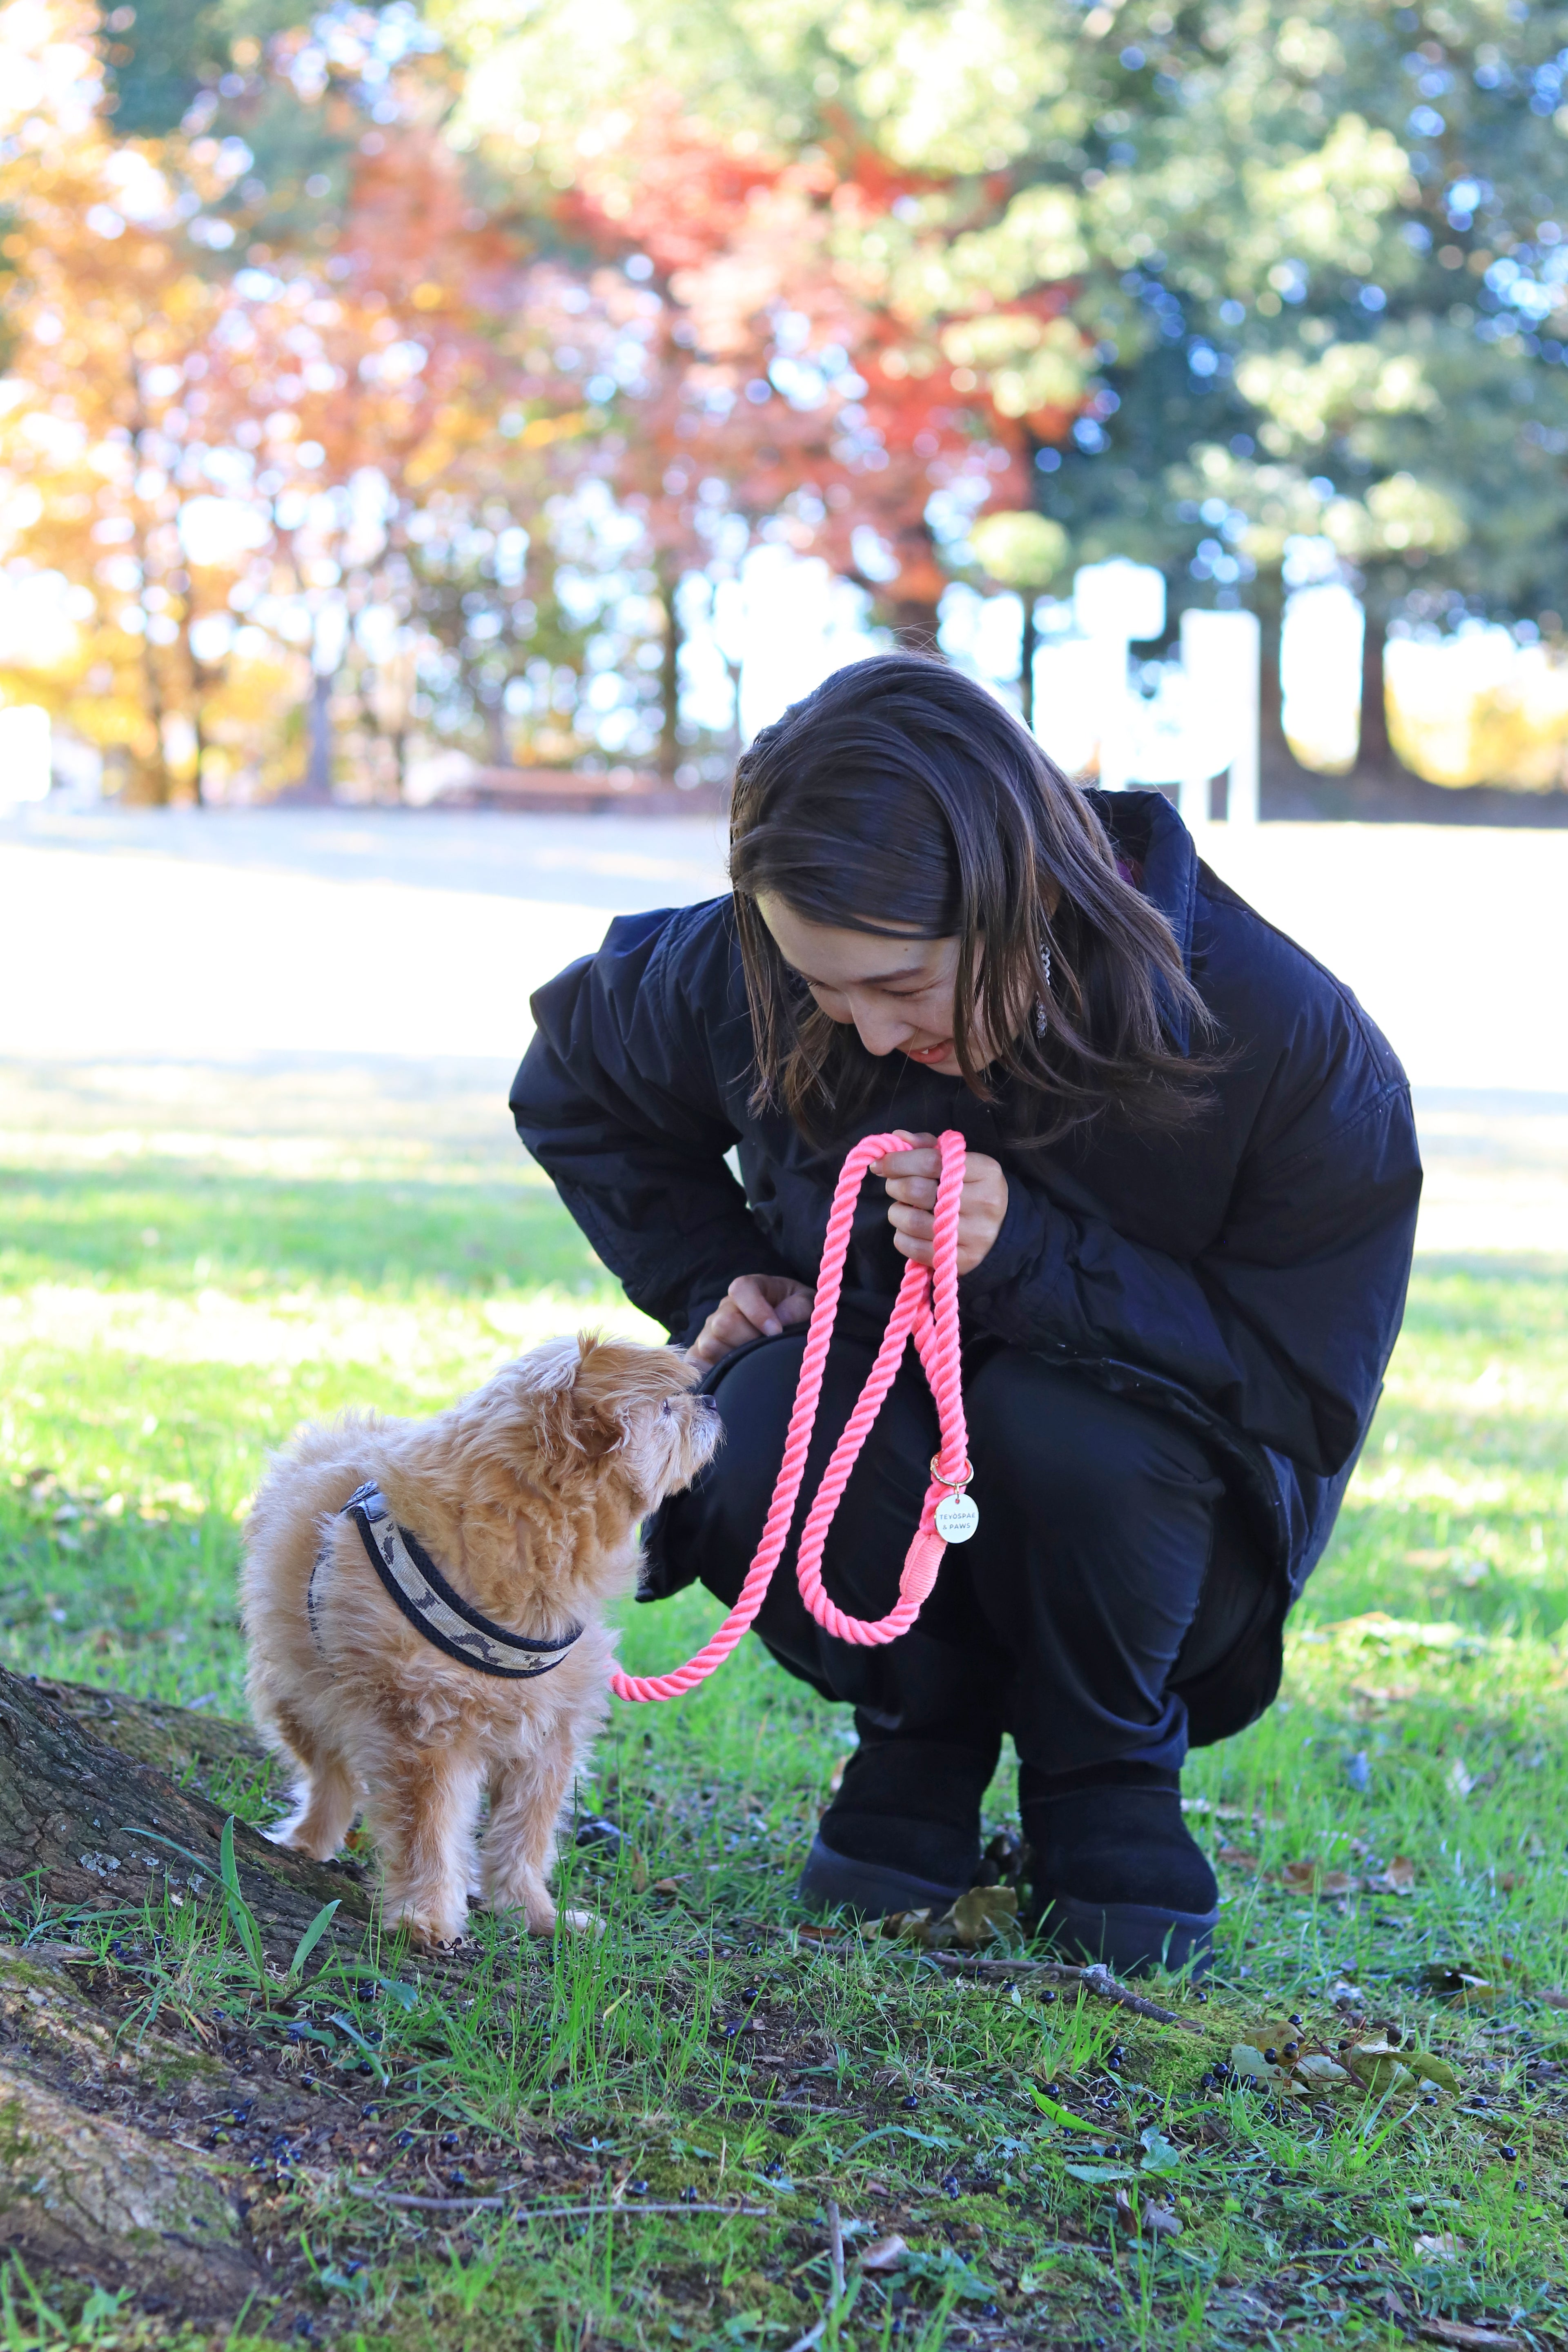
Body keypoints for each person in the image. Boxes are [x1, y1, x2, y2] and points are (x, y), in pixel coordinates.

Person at [511, 654, 1420, 1976]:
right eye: (826, 992)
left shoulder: (1285, 1038)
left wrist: (1030, 1254)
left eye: (902, 989)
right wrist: (717, 1275)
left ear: (1021, 898)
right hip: (864, 1514)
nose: (867, 1036)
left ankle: (1106, 1776)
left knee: (1049, 1419)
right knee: (758, 1406)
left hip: (1160, 1552)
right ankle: (915, 1738)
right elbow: (576, 1087)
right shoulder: (754, 965)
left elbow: (1305, 1387)